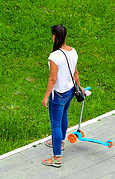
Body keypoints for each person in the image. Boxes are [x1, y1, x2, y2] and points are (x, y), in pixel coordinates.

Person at [41, 24, 84, 168]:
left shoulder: (54, 56)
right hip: (70, 91)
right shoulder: (73, 51)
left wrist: (46, 96)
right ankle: (60, 142)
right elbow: (75, 72)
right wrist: (80, 86)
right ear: (65, 36)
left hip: (58, 94)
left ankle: (57, 158)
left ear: (54, 37)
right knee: (64, 116)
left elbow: (53, 79)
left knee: (55, 125)